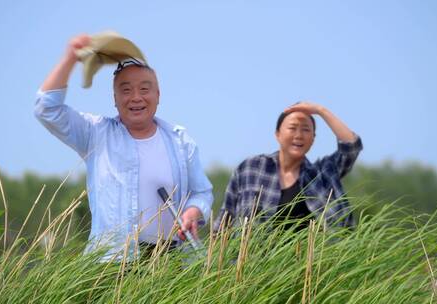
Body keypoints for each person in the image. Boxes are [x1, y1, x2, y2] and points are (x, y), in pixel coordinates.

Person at [34, 34, 213, 260]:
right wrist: (70, 58)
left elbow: (201, 192)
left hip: (172, 260)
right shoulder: (96, 133)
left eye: (145, 89)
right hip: (114, 260)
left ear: (158, 95)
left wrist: (193, 211)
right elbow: (46, 109)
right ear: (115, 98)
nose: (136, 98)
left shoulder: (180, 140)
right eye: (126, 90)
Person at [214, 102, 362, 232]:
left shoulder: (323, 173)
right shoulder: (251, 168)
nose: (299, 135)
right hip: (254, 262)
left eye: (306, 129)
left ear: (313, 139)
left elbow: (351, 147)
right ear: (277, 134)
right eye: (292, 128)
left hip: (315, 262)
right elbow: (225, 218)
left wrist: (320, 110)